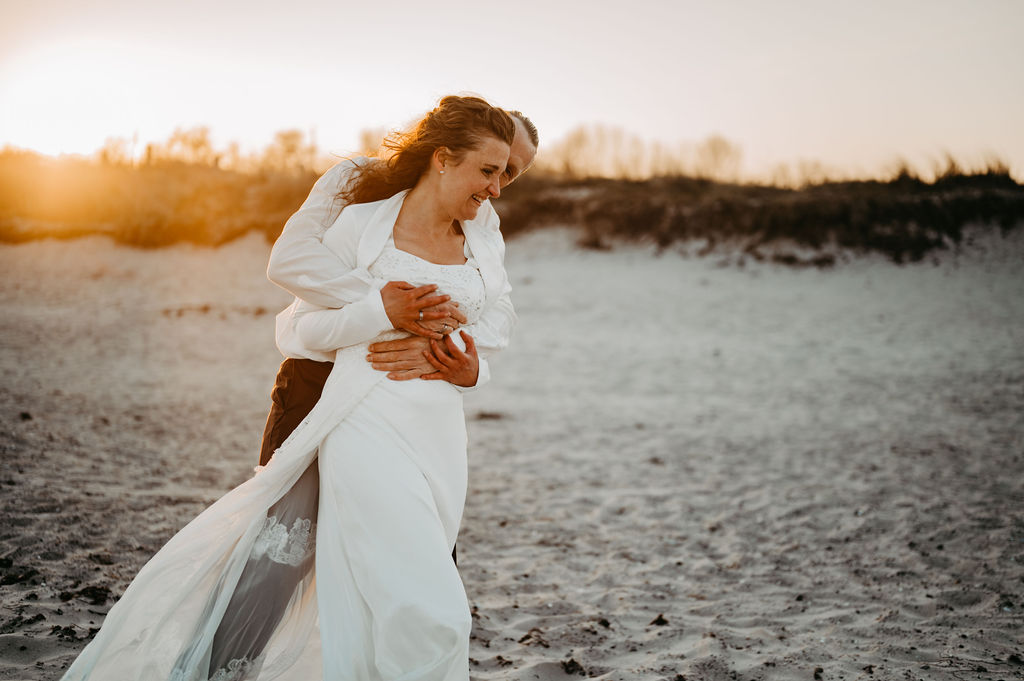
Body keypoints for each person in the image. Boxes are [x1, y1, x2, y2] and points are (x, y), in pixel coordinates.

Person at [61, 95, 523, 681]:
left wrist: (468, 367)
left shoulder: (483, 231)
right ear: (442, 156)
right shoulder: (359, 206)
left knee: (411, 587)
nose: (500, 187)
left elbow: (497, 317)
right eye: (492, 169)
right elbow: (299, 318)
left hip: (437, 438)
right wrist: (381, 312)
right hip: (344, 410)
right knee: (295, 563)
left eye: (511, 173)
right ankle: (214, 671)